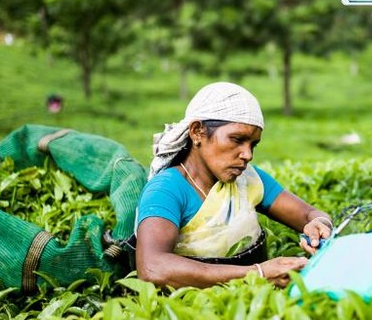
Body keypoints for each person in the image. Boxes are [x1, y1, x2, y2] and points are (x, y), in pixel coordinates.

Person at [135, 82, 333, 289]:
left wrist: (319, 225)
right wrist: (257, 273)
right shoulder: (168, 190)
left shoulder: (247, 179)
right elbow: (152, 268)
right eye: (237, 139)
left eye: (253, 145)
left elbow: (309, 214)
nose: (248, 155)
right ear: (197, 132)